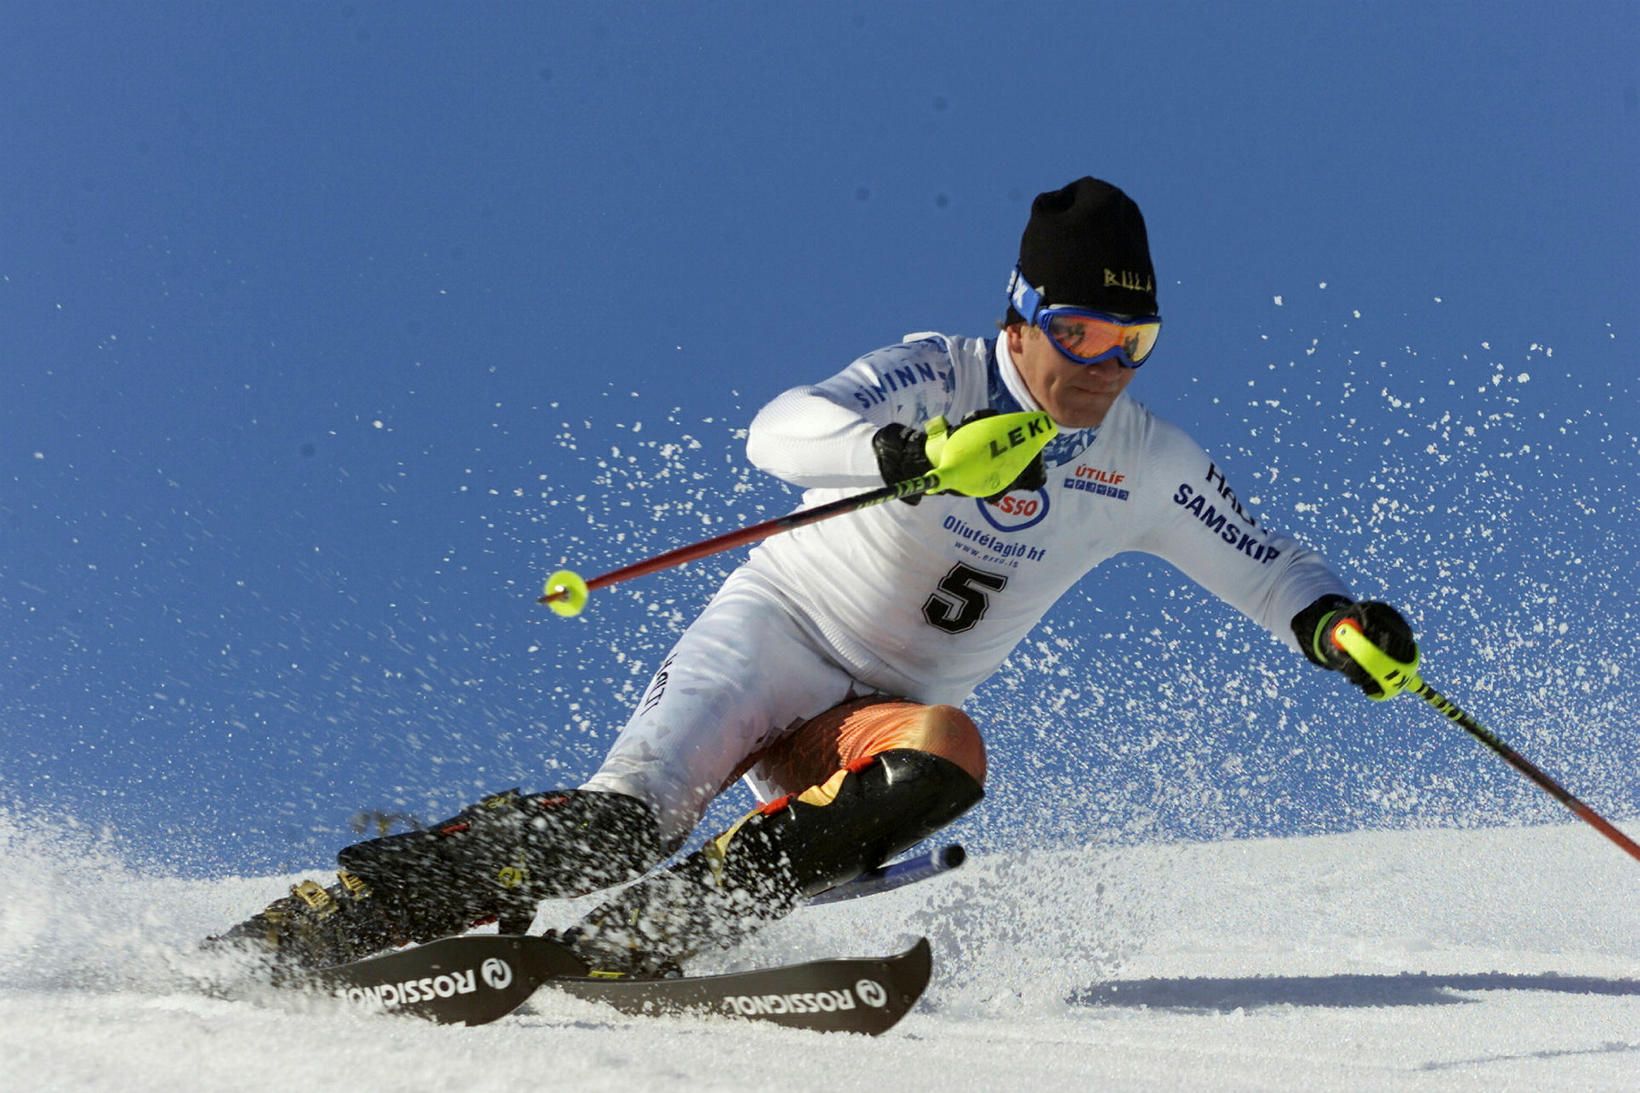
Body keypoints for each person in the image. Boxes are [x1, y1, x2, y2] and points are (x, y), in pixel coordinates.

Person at [215, 177, 1416, 975]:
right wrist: (900, 456)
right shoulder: (935, 374)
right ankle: (339, 916)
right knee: (616, 823)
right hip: (776, 635)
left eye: (1132, 342)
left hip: (868, 714)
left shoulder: (1142, 460)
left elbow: (1265, 567)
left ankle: (652, 938)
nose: (1102, 365)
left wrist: (1335, 625)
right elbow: (776, 431)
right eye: (1077, 331)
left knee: (949, 755)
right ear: (1017, 313)